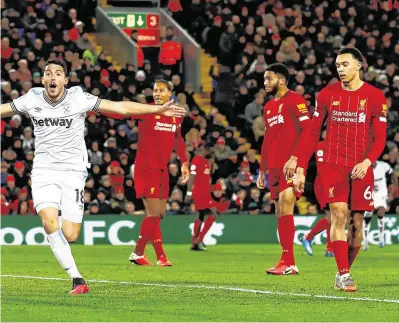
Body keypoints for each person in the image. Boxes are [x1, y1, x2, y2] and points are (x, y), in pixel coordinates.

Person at [0, 59, 187, 295]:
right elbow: (3, 109)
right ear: (44, 80)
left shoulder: (79, 98)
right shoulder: (32, 98)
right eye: (48, 73)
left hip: (73, 171)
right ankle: (77, 278)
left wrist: (157, 109)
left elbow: (121, 108)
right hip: (44, 170)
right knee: (49, 222)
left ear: (65, 81)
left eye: (58, 73)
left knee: (71, 234)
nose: (53, 76)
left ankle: (59, 242)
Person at [294, 47, 387, 292]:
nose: (340, 69)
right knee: (338, 215)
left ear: (359, 65)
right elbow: (313, 131)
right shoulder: (327, 94)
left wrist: (367, 162)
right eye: (337, 65)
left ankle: (341, 272)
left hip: (361, 167)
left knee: (357, 225)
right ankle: (345, 275)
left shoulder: (375, 97)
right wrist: (301, 165)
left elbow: (380, 138)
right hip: (333, 165)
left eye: (345, 64)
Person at [127, 80, 190, 267]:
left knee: (159, 214)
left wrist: (184, 161)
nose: (157, 93)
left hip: (162, 169)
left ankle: (159, 257)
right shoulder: (147, 112)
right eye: (155, 90)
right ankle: (140, 252)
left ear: (170, 93)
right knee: (153, 214)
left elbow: (178, 139)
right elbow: (127, 112)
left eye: (161, 90)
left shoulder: (175, 116)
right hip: (146, 168)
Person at [256, 63, 311, 275]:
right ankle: (286, 259)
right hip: (275, 167)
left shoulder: (295, 100)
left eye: (269, 78)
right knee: (280, 212)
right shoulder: (269, 107)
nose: (265, 83)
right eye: (264, 79)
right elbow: (268, 139)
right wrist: (262, 169)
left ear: (281, 79)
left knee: (286, 207)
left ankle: (290, 262)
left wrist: (297, 160)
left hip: (291, 165)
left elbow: (308, 131)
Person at [185, 144, 229, 251]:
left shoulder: (207, 163)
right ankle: (199, 240)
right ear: (204, 150)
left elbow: (206, 181)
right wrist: (189, 193)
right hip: (199, 193)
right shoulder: (197, 160)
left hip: (205, 193)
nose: (212, 153)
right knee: (212, 214)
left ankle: (194, 243)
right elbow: (191, 177)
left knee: (200, 215)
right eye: (210, 151)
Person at [301, 141, 334, 257]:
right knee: (332, 216)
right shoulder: (320, 145)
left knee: (334, 217)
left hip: (332, 183)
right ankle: (329, 248)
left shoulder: (339, 144)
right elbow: (322, 167)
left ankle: (311, 239)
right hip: (323, 184)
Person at [363, 161, 397, 250]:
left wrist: (394, 187)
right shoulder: (364, 168)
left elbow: (393, 173)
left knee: (381, 213)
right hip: (369, 196)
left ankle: (381, 239)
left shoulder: (384, 166)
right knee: (367, 218)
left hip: (381, 196)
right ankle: (365, 241)